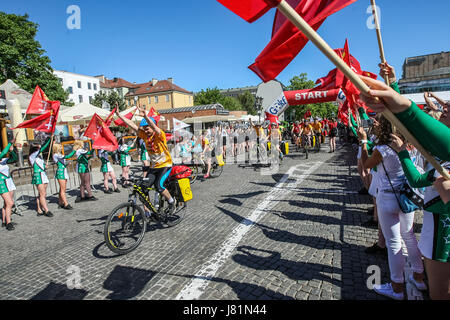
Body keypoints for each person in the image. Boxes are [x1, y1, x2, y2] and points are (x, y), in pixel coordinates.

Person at [358, 118, 426, 300]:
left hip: (388, 197)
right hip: (405, 195)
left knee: (394, 242)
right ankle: (419, 277)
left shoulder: (382, 149)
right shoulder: (408, 145)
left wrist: (364, 141)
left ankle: (396, 287)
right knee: (410, 236)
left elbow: (365, 165)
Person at [358, 74, 450, 162]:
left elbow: (418, 179)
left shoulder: (387, 147)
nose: (444, 109)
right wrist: (393, 84)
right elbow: (404, 116)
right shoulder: (416, 138)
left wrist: (364, 141)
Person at [115, 107, 177, 215]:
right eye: (144, 128)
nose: (146, 130)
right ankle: (149, 211)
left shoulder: (159, 134)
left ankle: (172, 202)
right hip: (154, 167)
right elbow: (132, 125)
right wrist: (119, 115)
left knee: (159, 186)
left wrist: (145, 116)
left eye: (147, 128)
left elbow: (155, 127)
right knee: (143, 188)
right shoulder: (144, 135)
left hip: (165, 165)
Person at [29, 137, 53, 217]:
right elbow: (43, 148)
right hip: (38, 175)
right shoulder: (32, 156)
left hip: (43, 175)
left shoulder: (39, 157)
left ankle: (39, 210)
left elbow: (41, 165)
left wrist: (45, 166)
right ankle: (46, 210)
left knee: (42, 194)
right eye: (37, 145)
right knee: (43, 194)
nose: (39, 146)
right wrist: (49, 140)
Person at [0, 140, 18, 230]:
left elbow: (14, 158)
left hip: (9, 182)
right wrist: (10, 143)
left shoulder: (3, 160)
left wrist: (11, 150)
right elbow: (3, 152)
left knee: (7, 203)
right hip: (1, 183)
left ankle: (4, 220)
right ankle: (8, 223)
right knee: (10, 203)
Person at [52, 143, 75, 210]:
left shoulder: (59, 154)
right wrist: (74, 150)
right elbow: (67, 157)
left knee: (62, 189)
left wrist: (67, 164)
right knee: (63, 189)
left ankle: (60, 202)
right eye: (60, 146)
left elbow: (63, 163)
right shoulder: (55, 155)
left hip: (64, 171)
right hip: (60, 173)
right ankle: (66, 204)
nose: (61, 147)